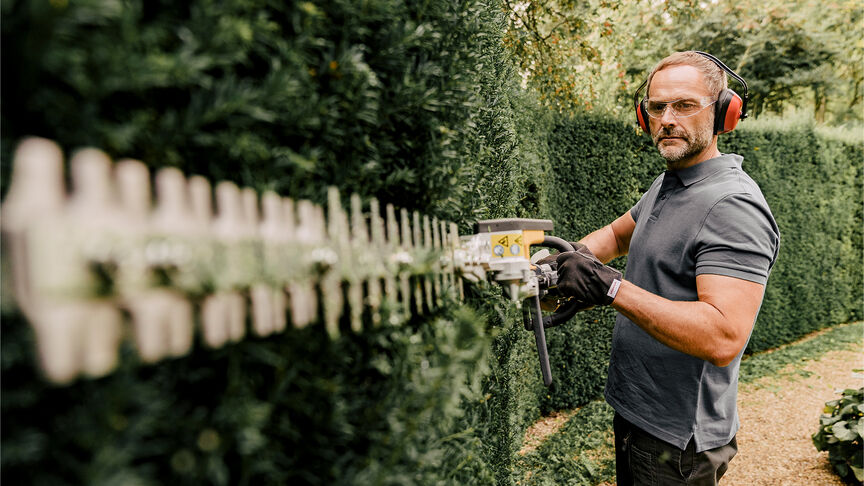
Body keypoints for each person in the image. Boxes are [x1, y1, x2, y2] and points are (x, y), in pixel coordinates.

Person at [553, 51, 780, 485]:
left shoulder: (732, 205)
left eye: (684, 104)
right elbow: (619, 236)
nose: (667, 119)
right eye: (656, 107)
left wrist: (610, 288)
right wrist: (570, 259)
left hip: (678, 440)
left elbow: (723, 335)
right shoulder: (669, 182)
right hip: (637, 409)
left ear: (725, 112)